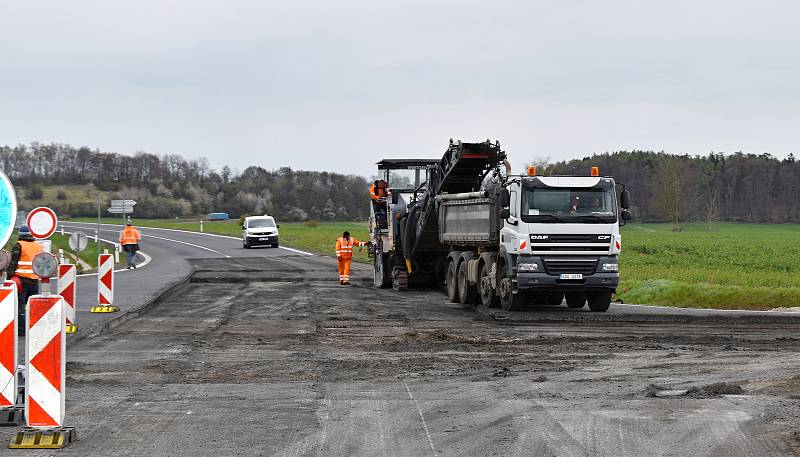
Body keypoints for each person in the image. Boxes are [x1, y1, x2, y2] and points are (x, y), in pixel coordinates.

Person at [7, 225, 43, 335]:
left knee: (20, 305)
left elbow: (13, 263)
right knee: (33, 305)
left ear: (20, 234)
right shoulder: (38, 246)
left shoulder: (19, 245)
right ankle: (35, 327)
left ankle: (22, 330)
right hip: (35, 280)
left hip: (21, 280)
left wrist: (8, 279)